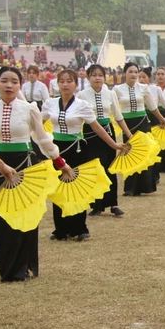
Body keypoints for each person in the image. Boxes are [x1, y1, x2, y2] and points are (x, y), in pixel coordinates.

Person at [0, 66, 76, 282]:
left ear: (20, 85)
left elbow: (43, 140)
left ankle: (23, 266)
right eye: (4, 81)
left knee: (25, 217)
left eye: (14, 82)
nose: (9, 85)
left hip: (25, 167)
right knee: (5, 218)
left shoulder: (29, 109)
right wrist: (1, 166)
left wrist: (60, 162)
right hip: (1, 167)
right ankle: (7, 268)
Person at [43, 69, 124, 241]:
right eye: (62, 81)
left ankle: (80, 228)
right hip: (57, 150)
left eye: (69, 81)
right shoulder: (49, 103)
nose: (65, 84)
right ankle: (61, 229)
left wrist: (114, 144)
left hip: (77, 149)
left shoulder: (82, 105)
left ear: (75, 84)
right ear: (57, 84)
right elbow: (37, 124)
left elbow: (97, 128)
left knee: (76, 189)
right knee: (59, 189)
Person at [78, 64, 132, 217]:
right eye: (94, 75)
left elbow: (118, 116)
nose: (97, 78)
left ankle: (113, 204)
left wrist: (129, 135)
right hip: (90, 135)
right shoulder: (82, 95)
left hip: (108, 132)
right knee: (96, 169)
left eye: (100, 75)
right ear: (88, 77)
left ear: (104, 77)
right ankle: (97, 205)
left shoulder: (110, 93)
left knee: (110, 167)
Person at [113, 62, 165, 197]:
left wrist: (162, 119)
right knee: (130, 154)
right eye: (130, 72)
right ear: (125, 73)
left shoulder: (144, 88)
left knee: (143, 154)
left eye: (136, 72)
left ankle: (146, 186)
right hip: (127, 125)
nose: (133, 74)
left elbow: (152, 107)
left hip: (143, 123)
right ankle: (130, 187)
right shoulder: (117, 89)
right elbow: (115, 111)